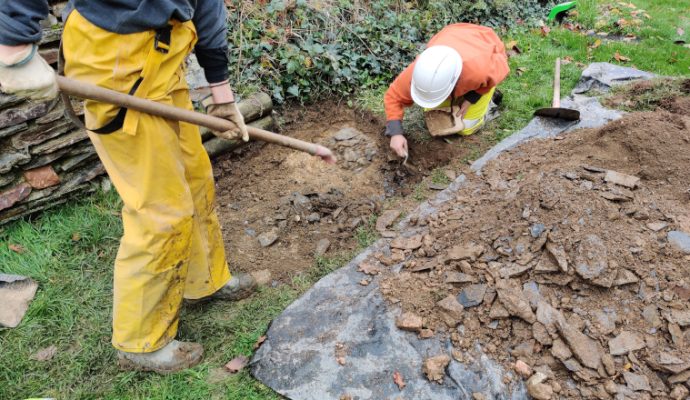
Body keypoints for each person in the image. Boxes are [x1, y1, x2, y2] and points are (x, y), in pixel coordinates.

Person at [0, 0, 257, 374]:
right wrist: (13, 46)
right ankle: (141, 342)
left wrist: (222, 93)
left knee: (195, 180)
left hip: (164, 57)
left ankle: (204, 281)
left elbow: (207, 5)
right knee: (161, 209)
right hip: (112, 61)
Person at [384, 23, 510, 158]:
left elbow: (502, 70)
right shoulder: (420, 71)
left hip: (483, 46)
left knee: (466, 127)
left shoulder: (479, 70)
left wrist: (472, 97)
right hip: (452, 37)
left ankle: (490, 103)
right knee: (435, 118)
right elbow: (393, 96)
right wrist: (395, 133)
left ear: (454, 83)